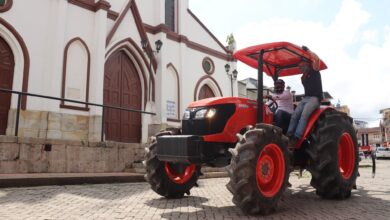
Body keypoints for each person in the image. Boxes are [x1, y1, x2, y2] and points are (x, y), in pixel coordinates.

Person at [287, 52, 323, 147]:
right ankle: (288, 135)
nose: (300, 68)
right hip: (306, 98)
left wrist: (308, 51)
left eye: (302, 65)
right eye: (300, 66)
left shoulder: (315, 71)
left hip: (315, 98)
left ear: (308, 64)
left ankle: (296, 137)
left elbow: (317, 59)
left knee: (304, 114)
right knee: (294, 115)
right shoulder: (303, 77)